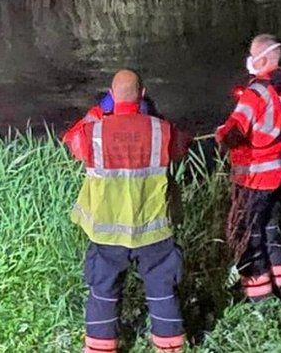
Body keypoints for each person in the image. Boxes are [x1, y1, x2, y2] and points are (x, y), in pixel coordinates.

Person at [63, 70, 190, 353]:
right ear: (143, 94)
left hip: (108, 230)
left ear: (110, 94)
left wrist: (97, 112)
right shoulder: (161, 130)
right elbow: (182, 145)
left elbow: (72, 141)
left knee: (103, 290)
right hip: (153, 228)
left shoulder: (93, 131)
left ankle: (100, 348)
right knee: (162, 287)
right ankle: (169, 347)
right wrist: (151, 118)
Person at [215, 34, 281, 302]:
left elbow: (234, 133)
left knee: (247, 236)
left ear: (263, 58)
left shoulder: (257, 93)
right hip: (280, 175)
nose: (249, 60)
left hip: (256, 179)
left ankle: (260, 299)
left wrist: (220, 133)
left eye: (252, 54)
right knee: (270, 231)